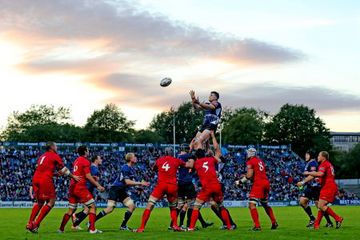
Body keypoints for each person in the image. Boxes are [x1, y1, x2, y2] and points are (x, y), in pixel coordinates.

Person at [26, 141, 80, 233]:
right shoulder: (54, 155)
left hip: (36, 178)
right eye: (56, 146)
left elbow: (43, 169)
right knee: (51, 202)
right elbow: (64, 170)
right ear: (52, 147)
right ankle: (35, 225)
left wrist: (55, 174)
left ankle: (30, 223)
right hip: (45, 180)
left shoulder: (42, 156)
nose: (57, 148)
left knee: (39, 202)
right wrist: (73, 176)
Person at [187, 132, 233, 231]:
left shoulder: (198, 162)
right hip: (217, 185)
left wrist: (191, 149)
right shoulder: (212, 159)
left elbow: (190, 166)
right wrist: (210, 137)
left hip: (208, 186)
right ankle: (229, 225)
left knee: (197, 206)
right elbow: (215, 151)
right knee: (218, 206)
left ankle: (191, 227)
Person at [135, 148, 186, 232]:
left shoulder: (159, 160)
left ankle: (141, 227)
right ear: (171, 153)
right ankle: (175, 226)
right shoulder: (176, 160)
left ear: (164, 153)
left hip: (161, 185)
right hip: (172, 186)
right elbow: (187, 165)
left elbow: (153, 169)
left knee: (150, 205)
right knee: (173, 207)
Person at [94, 153, 150, 231]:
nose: (136, 158)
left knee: (132, 206)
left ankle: (123, 226)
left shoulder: (131, 168)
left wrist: (138, 187)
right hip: (115, 189)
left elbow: (130, 182)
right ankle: (91, 222)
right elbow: (127, 182)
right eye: (134, 156)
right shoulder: (125, 168)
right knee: (109, 209)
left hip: (121, 190)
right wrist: (140, 183)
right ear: (130, 159)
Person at [58, 146, 105, 234]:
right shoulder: (85, 161)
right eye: (87, 150)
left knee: (71, 210)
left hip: (72, 187)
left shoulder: (77, 160)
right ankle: (92, 229)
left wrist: (91, 177)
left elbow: (80, 174)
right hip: (80, 188)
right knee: (92, 206)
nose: (89, 151)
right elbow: (87, 176)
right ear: (85, 151)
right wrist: (98, 185)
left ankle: (61, 229)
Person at [169, 145, 213, 230]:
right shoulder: (186, 156)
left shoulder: (178, 157)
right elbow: (194, 155)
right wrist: (194, 148)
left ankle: (173, 224)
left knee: (181, 205)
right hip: (187, 183)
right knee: (192, 205)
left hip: (180, 183)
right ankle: (188, 225)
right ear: (187, 150)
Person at [297, 151, 343, 229]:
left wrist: (308, 172)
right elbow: (317, 175)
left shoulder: (324, 164)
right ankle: (316, 224)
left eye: (319, 155)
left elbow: (320, 174)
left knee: (321, 205)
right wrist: (305, 181)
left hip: (328, 186)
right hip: (328, 186)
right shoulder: (327, 164)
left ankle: (338, 218)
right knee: (321, 206)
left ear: (323, 157)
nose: (317, 157)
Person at [237, 148, 278, 231]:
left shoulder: (250, 161)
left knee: (251, 205)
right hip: (266, 182)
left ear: (250, 154)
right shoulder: (260, 161)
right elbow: (256, 173)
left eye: (248, 153)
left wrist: (240, 182)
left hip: (259, 184)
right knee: (265, 204)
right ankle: (274, 222)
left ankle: (257, 226)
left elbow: (249, 176)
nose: (246, 154)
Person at [72, 155, 103, 229]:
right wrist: (98, 185)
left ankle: (76, 220)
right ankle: (90, 226)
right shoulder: (93, 167)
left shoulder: (93, 167)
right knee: (90, 209)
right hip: (87, 189)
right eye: (100, 158)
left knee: (89, 209)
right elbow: (88, 177)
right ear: (96, 160)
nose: (101, 160)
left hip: (88, 189)